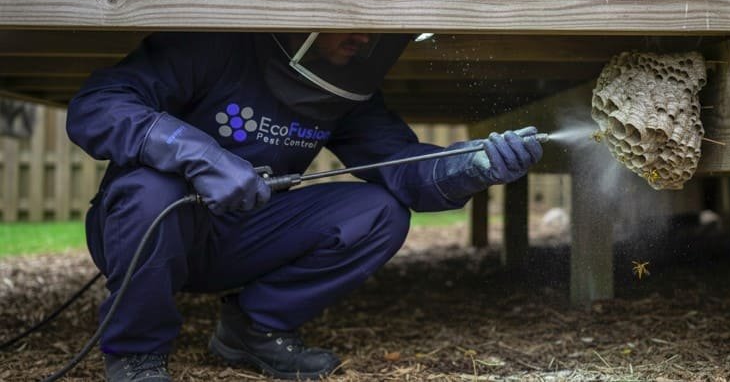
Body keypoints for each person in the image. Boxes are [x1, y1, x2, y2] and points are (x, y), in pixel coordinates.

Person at [66, 31, 544, 381]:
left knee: (380, 211)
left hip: (241, 237)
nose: (364, 38)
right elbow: (97, 105)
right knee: (152, 189)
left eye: (376, 30)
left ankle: (253, 329)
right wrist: (200, 154)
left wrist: (473, 166)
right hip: (150, 228)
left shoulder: (345, 91)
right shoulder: (216, 46)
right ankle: (136, 354)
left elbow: (401, 165)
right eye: (349, 21)